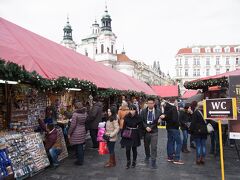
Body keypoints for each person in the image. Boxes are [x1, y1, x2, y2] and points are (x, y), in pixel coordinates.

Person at [141, 97, 161, 169]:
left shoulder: (158, 111)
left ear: (154, 103)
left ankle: (153, 161)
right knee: (146, 145)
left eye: (151, 103)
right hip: (146, 131)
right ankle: (147, 155)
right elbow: (142, 121)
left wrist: (160, 121)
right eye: (148, 103)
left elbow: (158, 121)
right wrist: (146, 127)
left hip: (154, 131)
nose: (150, 105)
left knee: (154, 147)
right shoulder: (143, 111)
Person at [121, 105, 142, 169]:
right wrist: (122, 135)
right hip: (127, 133)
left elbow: (140, 127)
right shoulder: (127, 117)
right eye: (130, 110)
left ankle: (134, 162)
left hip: (135, 133)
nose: (131, 111)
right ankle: (128, 161)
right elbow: (124, 126)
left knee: (134, 149)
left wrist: (140, 135)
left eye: (133, 110)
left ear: (135, 110)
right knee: (127, 149)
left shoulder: (138, 117)